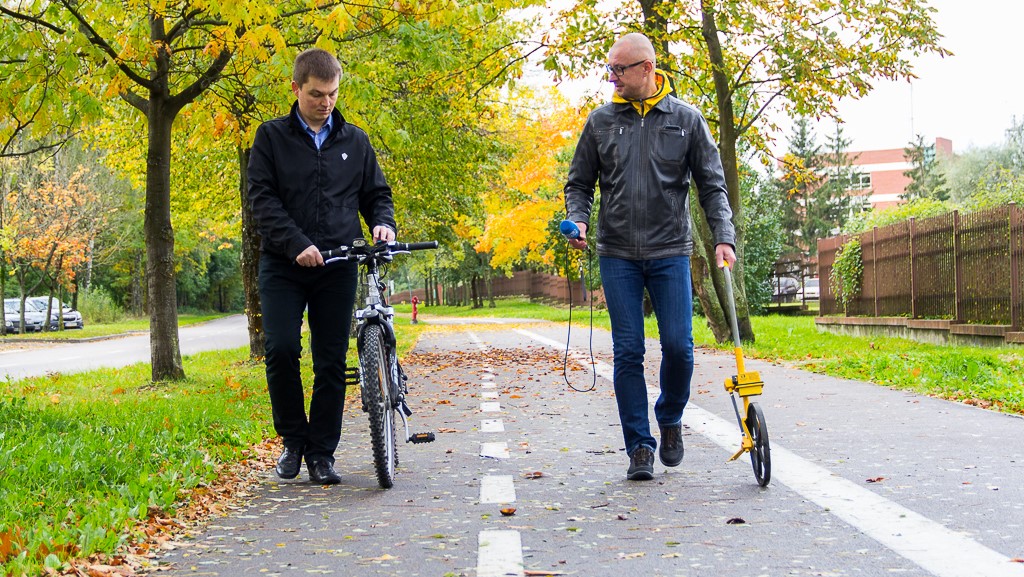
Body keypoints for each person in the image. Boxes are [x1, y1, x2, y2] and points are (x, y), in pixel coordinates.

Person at [563, 33, 737, 481]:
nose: (612, 78)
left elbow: (712, 185)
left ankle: (670, 416)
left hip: (670, 250)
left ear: (647, 68)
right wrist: (578, 219)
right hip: (617, 253)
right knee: (628, 351)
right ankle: (639, 446)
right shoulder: (601, 122)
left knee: (679, 347)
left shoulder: (686, 120)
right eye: (609, 69)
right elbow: (579, 183)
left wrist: (724, 237)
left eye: (619, 69)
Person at [248, 48, 397, 485]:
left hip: (337, 263)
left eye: (332, 94)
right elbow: (262, 200)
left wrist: (383, 223)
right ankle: (293, 441)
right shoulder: (270, 137)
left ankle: (321, 454)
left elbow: (377, 195)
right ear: (296, 88)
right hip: (283, 264)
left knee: (330, 361)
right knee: (280, 349)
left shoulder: (355, 141)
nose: (326, 102)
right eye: (316, 94)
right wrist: (297, 244)